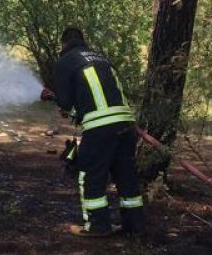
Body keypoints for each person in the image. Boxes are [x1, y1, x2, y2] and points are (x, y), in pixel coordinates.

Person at [42, 27, 145, 237]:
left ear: (63, 44)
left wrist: (52, 97)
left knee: (91, 175)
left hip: (100, 127)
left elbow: (65, 101)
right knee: (126, 174)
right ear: (83, 40)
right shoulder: (101, 59)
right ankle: (134, 226)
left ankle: (97, 227)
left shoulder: (65, 61)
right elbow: (93, 98)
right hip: (126, 124)